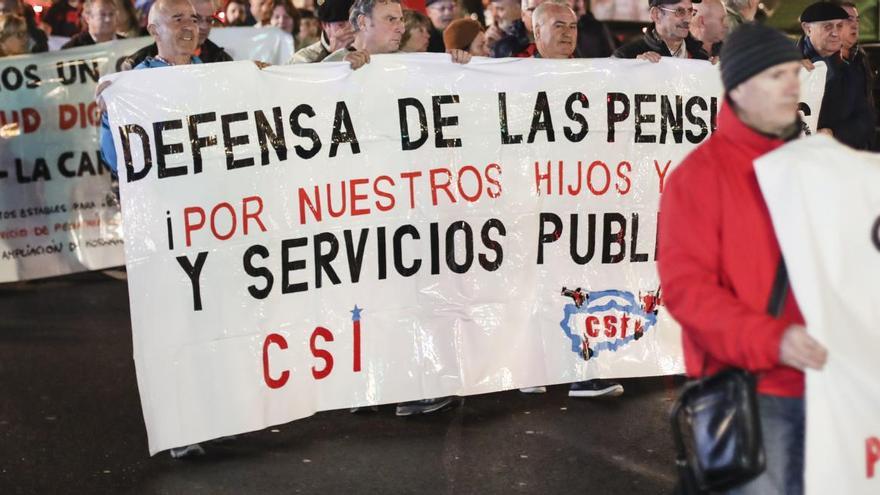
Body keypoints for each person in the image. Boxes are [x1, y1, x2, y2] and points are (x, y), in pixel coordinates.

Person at [658, 23, 829, 495]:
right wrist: (773, 341)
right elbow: (687, 293)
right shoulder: (697, 178)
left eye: (793, 72)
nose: (793, 84)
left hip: (833, 389)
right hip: (752, 395)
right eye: (776, 75)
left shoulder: (820, 165)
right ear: (738, 87)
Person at [521, 1, 624, 398]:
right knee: (536, 287)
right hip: (533, 202)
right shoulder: (513, 77)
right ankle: (533, 368)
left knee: (578, 283)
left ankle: (582, 369)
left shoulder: (595, 76)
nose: (568, 33)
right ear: (536, 33)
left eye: (572, 26)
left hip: (579, 201)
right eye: (557, 26)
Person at [798, 1, 874, 150]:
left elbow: (865, 121)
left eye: (839, 26)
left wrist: (833, 134)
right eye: (827, 26)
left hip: (835, 160)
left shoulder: (851, 71)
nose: (835, 33)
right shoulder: (783, 64)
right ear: (807, 29)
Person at [122, 0, 233, 69]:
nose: (202, 26)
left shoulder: (220, 62)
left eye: (193, 20)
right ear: (154, 31)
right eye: (179, 19)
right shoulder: (136, 70)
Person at [613, 0, 708, 62]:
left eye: (690, 11)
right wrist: (636, 70)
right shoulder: (626, 57)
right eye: (679, 11)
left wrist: (715, 71)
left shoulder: (702, 58)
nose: (688, 19)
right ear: (656, 14)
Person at [289, 0, 355, 63]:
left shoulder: (363, 50)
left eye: (354, 23)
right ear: (325, 25)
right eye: (341, 25)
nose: (350, 29)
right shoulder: (303, 58)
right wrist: (336, 55)